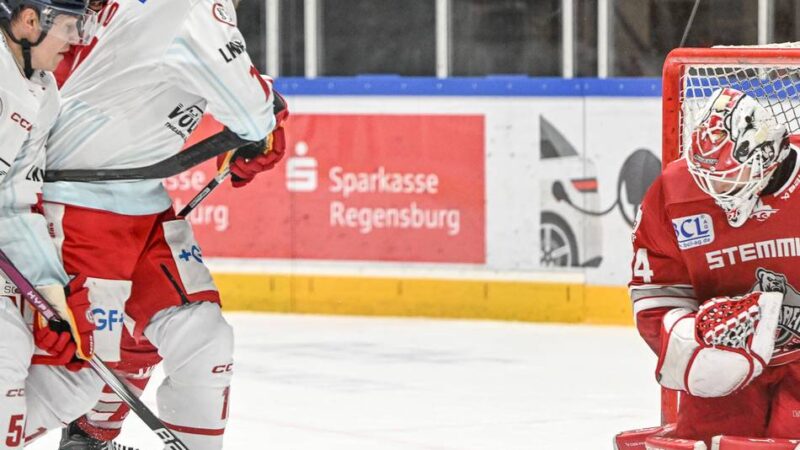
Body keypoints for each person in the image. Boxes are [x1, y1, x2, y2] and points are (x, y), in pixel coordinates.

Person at [45, 0, 288, 448]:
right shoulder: (193, 6)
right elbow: (250, 111)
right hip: (75, 213)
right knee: (65, 376)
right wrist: (265, 113)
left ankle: (91, 438)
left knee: (202, 333)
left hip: (143, 206)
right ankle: (86, 431)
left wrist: (260, 116)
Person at [629, 87, 800, 446]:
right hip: (729, 363)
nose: (712, 188)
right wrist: (692, 343)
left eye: (727, 176)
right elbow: (655, 294)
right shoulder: (673, 192)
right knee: (708, 440)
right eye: (705, 175)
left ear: (767, 158)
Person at [0, 0, 104, 447]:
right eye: (66, 26)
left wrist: (50, 291)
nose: (72, 40)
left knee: (76, 384)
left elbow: (15, 203)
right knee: (6, 351)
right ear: (28, 21)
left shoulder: (44, 94)